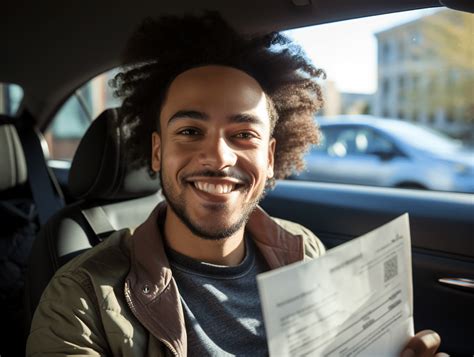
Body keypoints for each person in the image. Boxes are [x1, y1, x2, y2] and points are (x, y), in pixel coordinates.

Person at [27, 12, 444, 356]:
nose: (219, 158)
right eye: (190, 131)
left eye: (244, 135)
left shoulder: (306, 251)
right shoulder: (82, 300)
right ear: (157, 152)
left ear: (270, 155)